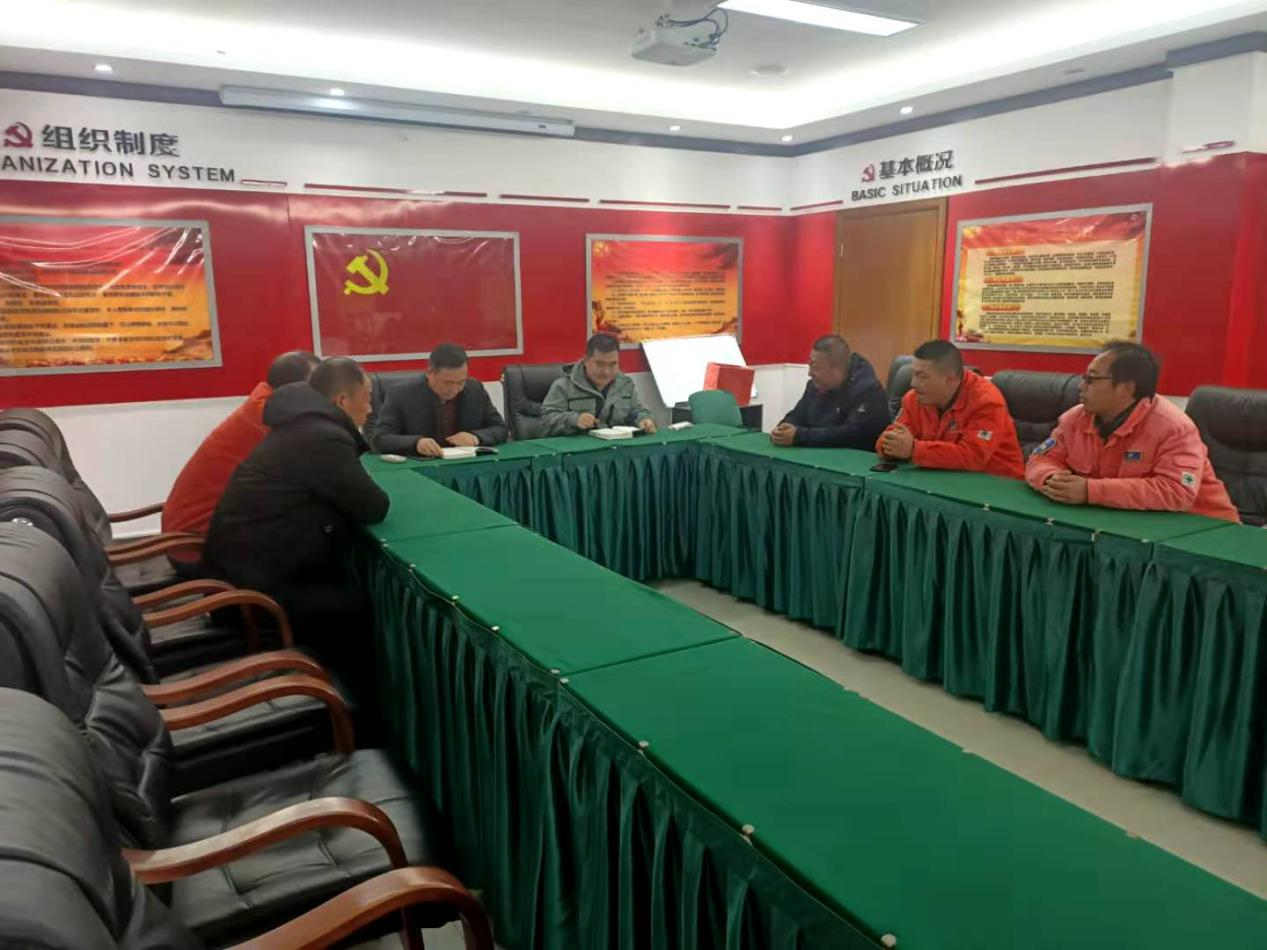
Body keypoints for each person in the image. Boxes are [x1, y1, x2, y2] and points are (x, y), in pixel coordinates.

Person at [204, 357, 389, 656]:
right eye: (367, 399)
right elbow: (373, 506)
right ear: (342, 401)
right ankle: (344, 684)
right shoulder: (322, 436)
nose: (370, 409)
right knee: (359, 605)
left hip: (242, 570)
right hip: (254, 593)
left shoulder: (301, 425)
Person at [1026, 341, 1239, 521]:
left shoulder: (1174, 428)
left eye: (1091, 379)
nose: (1081, 386)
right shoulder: (1076, 418)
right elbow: (1040, 459)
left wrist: (1090, 491)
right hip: (1126, 522)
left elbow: (1177, 491)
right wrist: (1052, 479)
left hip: (1201, 529)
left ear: (1127, 388)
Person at [160, 350, 318, 572]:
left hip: (194, 535)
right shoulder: (270, 417)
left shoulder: (264, 403)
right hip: (198, 547)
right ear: (295, 389)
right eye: (317, 385)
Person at [876, 339, 1025, 479]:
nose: (913, 383)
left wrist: (914, 450)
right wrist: (890, 447)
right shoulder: (914, 398)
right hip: (943, 477)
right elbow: (890, 437)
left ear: (950, 379)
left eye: (922, 376)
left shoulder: (987, 402)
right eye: (913, 374)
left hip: (998, 484)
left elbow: (974, 457)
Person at [370, 343, 507, 456]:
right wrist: (416, 443)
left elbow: (500, 428)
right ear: (429, 373)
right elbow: (380, 439)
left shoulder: (474, 390)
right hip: (421, 467)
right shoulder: (401, 394)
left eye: (461, 382)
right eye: (448, 383)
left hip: (465, 464)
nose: (455, 389)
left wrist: (476, 437)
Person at [771, 334, 889, 448]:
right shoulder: (815, 385)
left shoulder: (868, 391)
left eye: (815, 367)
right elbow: (798, 414)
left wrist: (799, 436)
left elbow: (851, 435)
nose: (810, 373)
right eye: (810, 366)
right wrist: (782, 428)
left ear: (836, 369)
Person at [540, 333, 657, 435]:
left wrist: (644, 420)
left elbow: (636, 411)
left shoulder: (626, 384)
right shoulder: (563, 386)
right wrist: (575, 420)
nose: (606, 372)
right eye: (600, 364)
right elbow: (546, 421)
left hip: (616, 447)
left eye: (613, 364)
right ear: (586, 360)